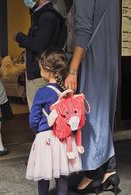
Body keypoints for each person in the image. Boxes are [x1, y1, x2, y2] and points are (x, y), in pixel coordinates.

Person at [64, 0, 120, 193]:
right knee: (104, 115)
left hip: (92, 60)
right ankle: (110, 170)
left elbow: (83, 30)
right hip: (109, 62)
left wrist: (73, 69)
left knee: (89, 117)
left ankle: (92, 174)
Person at [26, 48, 82, 195]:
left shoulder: (42, 92)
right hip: (63, 139)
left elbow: (34, 118)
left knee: (43, 174)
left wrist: (36, 131)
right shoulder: (66, 91)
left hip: (46, 138)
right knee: (62, 174)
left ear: (46, 70)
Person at [14, 0, 63, 111]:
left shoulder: (47, 17)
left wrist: (19, 36)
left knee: (40, 115)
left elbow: (38, 45)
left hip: (40, 74)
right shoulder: (41, 15)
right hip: (39, 72)